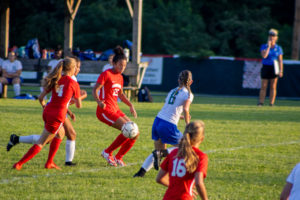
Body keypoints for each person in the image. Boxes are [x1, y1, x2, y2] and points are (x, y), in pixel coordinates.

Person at [7, 56, 87, 166]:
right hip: (58, 114)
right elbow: (78, 105)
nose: (77, 70)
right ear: (72, 69)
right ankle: (19, 164)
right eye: (76, 68)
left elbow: (41, 98)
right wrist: (83, 96)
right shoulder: (74, 83)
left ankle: (50, 162)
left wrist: (46, 108)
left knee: (60, 134)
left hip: (48, 111)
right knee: (42, 142)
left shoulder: (56, 79)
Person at [134, 70, 193, 177]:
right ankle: (161, 154)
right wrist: (187, 124)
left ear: (179, 80)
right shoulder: (188, 94)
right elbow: (185, 108)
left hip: (158, 121)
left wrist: (179, 116)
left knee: (158, 151)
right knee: (186, 147)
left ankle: (140, 173)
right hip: (167, 125)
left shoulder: (173, 90)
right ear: (191, 82)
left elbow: (169, 108)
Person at [92, 46, 138, 167]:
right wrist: (99, 101)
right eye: (120, 65)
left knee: (135, 132)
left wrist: (130, 105)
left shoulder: (120, 77)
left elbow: (121, 94)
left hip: (115, 109)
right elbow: (95, 90)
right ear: (114, 63)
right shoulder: (106, 74)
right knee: (126, 128)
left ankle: (119, 157)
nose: (122, 68)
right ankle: (107, 152)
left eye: (124, 65)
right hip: (104, 110)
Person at [156, 121, 208, 200]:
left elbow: (159, 179)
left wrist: (177, 187)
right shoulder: (200, 156)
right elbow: (198, 182)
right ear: (202, 138)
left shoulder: (173, 153)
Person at [258, 28, 283, 106]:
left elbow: (280, 60)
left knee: (273, 86)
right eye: (270, 35)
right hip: (266, 67)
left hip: (274, 67)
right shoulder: (264, 46)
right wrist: (268, 47)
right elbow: (264, 56)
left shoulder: (278, 48)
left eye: (273, 36)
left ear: (276, 37)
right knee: (264, 86)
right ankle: (261, 103)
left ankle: (271, 103)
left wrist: (281, 70)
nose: (271, 37)